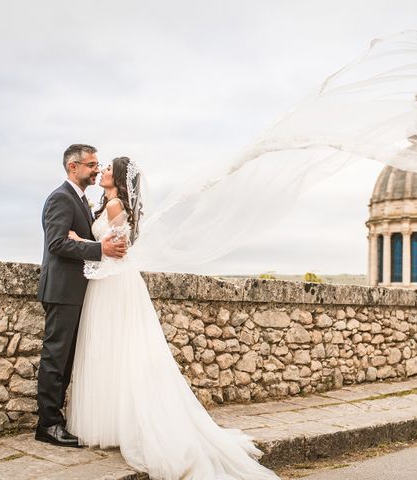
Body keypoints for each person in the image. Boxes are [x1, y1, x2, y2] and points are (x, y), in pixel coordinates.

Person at [66, 157, 280, 480]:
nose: (103, 171)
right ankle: (114, 423)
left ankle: (128, 427)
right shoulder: (109, 204)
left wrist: (79, 242)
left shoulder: (113, 207)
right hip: (110, 286)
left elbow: (115, 252)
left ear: (119, 178)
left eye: (109, 168)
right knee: (115, 354)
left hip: (113, 285)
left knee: (118, 353)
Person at [36, 144, 128, 447]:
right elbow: (57, 244)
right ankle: (48, 424)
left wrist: (90, 242)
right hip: (62, 291)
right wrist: (98, 248)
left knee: (66, 360)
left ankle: (56, 421)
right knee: (55, 357)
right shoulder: (61, 198)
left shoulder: (82, 200)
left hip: (77, 291)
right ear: (72, 167)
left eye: (98, 164)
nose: (96, 169)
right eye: (90, 165)